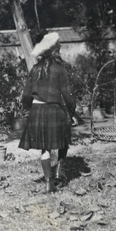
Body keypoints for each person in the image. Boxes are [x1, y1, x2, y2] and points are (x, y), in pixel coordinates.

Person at [19, 32, 80, 193]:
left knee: (45, 148)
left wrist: (30, 109)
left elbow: (25, 95)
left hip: (38, 111)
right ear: (54, 51)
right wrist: (72, 113)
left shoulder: (35, 69)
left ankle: (48, 183)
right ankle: (60, 170)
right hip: (55, 109)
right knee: (63, 138)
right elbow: (68, 94)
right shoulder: (60, 69)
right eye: (58, 47)